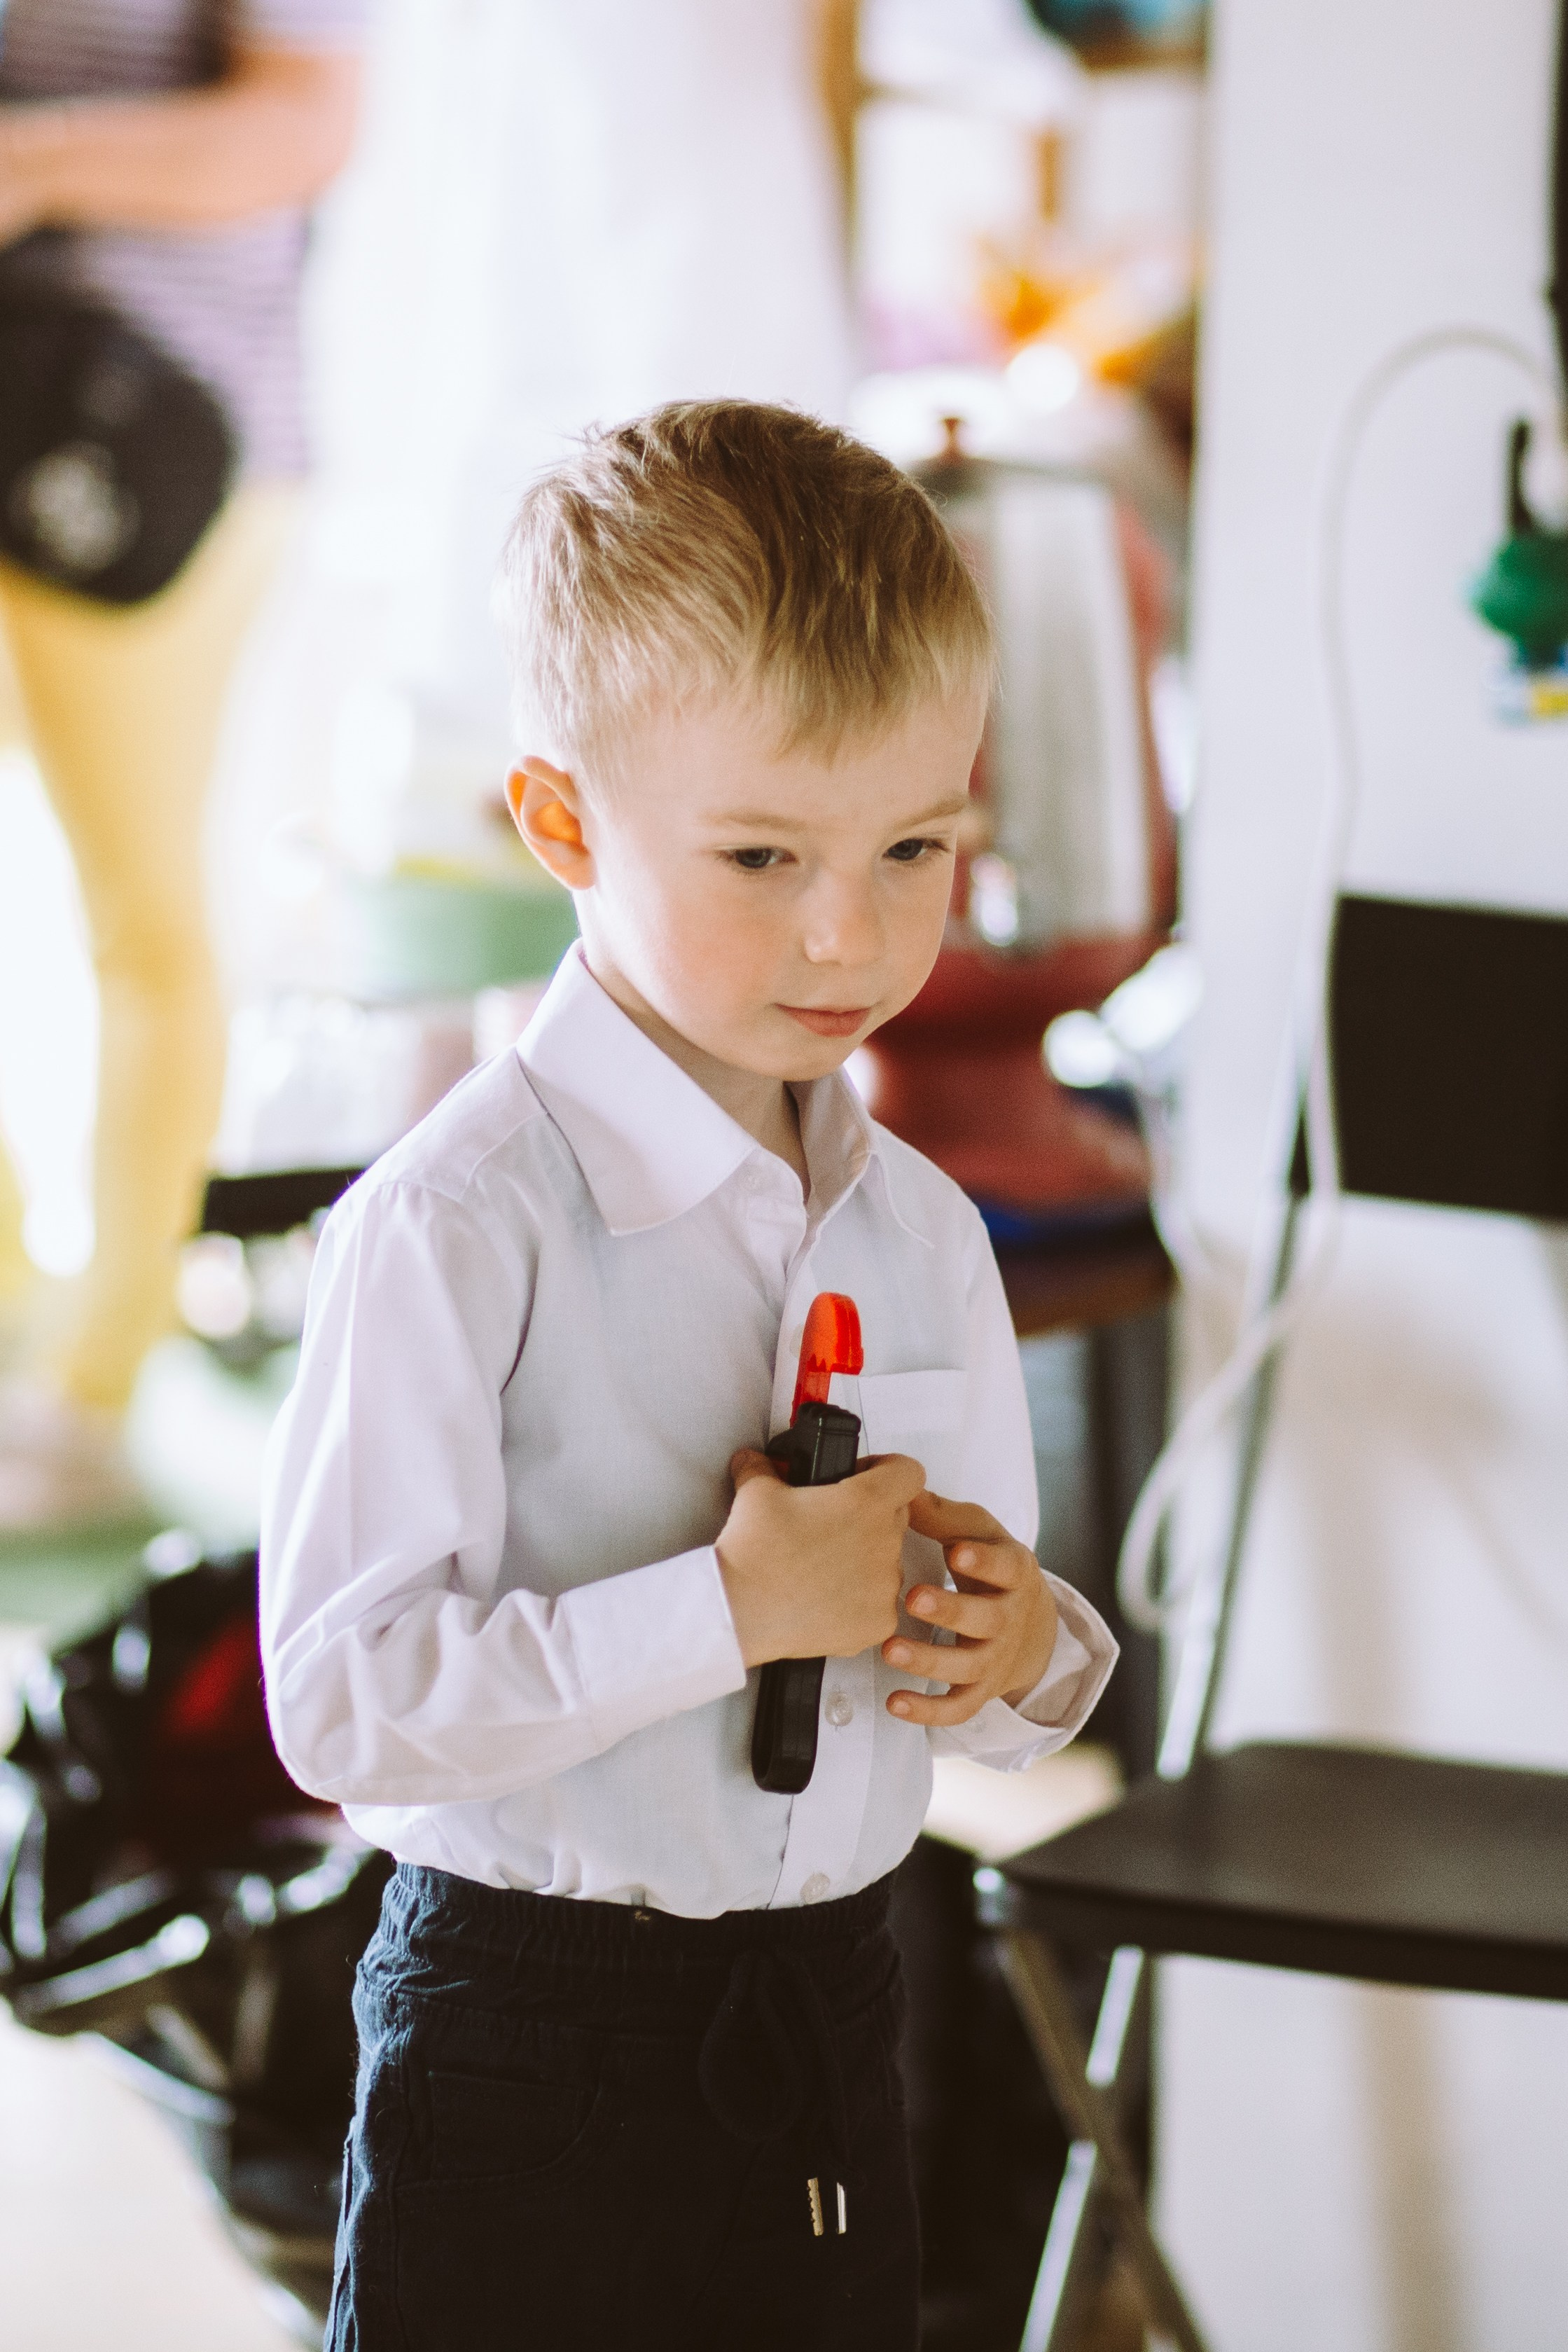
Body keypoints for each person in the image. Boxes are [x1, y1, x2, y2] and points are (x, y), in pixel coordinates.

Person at [261, 403, 1118, 2352]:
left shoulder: (925, 1233)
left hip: (833, 2014)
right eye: (765, 852)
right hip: (524, 2043)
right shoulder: (457, 1221)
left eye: (917, 844)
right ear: (563, 822)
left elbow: (1016, 1699)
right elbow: (343, 1702)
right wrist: (723, 1609)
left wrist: (1011, 1651)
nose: (852, 927)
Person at [0, 0, 366, 1530]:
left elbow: (309, 120)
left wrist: (33, 162)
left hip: (149, 432)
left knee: (139, 919)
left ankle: (89, 1387)